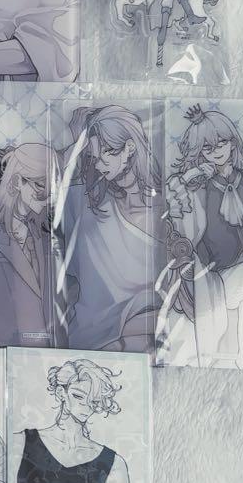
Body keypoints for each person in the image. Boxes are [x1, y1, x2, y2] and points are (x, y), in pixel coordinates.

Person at [160, 105, 243, 369]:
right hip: (213, 277)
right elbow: (181, 228)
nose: (216, 151)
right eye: (208, 148)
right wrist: (191, 178)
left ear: (232, 143)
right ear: (199, 153)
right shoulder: (196, 191)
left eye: (221, 143)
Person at [60, 105, 162, 352]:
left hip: (147, 332)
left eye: (105, 154)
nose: (98, 165)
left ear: (129, 147)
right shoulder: (85, 202)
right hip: (90, 335)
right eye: (93, 158)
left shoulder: (167, 207)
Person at [14, 358, 135, 483]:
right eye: (78, 396)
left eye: (93, 400)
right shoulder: (21, 442)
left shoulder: (113, 462)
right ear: (61, 393)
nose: (86, 406)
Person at [0, 142, 64, 347]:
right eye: (41, 186)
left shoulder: (48, 239)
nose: (49, 197)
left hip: (45, 348)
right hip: (1, 349)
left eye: (53, 187)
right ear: (17, 181)